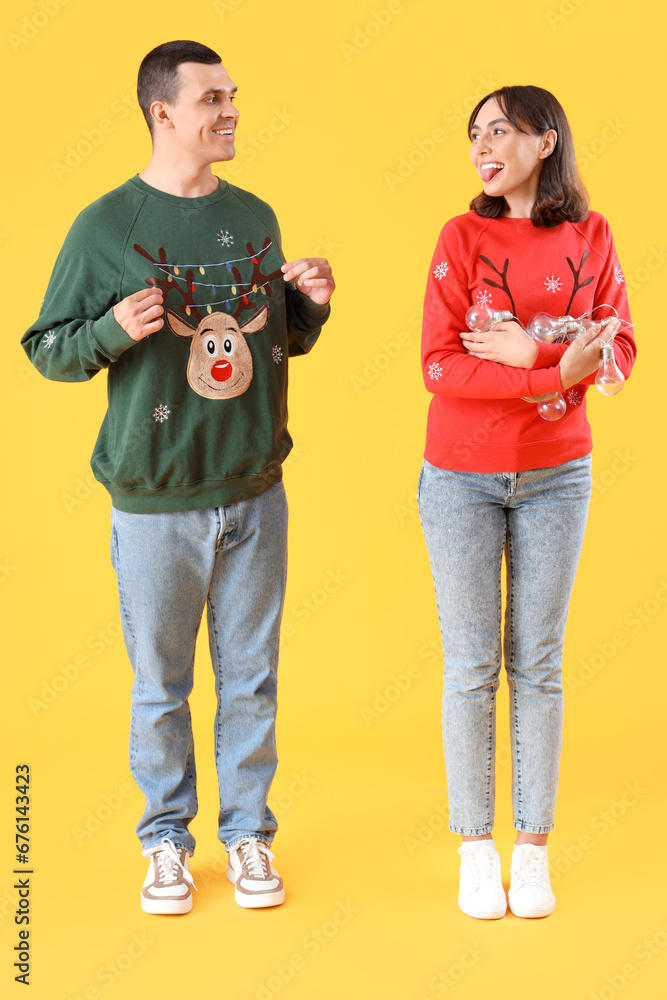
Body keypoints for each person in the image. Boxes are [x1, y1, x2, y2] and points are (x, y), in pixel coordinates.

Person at [21, 40, 334, 915]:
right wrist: (113, 330)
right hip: (156, 502)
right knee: (162, 685)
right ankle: (165, 839)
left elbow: (272, 345)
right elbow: (48, 349)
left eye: (233, 95)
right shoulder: (106, 225)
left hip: (256, 490)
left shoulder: (256, 215)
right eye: (212, 99)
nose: (230, 110)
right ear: (164, 113)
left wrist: (307, 302)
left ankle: (247, 838)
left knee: (252, 678)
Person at [417, 85, 635, 920]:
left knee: (536, 667)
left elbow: (616, 353)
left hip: (557, 476)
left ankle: (532, 853)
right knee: (471, 668)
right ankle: (477, 849)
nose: (482, 145)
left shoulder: (592, 234)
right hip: (460, 478)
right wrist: (553, 366)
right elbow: (440, 366)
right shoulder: (460, 236)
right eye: (474, 133)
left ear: (545, 141)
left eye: (499, 130)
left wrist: (523, 344)